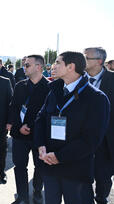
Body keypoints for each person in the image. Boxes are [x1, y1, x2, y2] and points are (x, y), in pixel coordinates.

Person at [34, 51, 110, 204]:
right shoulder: (54, 91)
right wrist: (40, 145)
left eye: (57, 62)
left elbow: (91, 140)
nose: (52, 66)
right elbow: (40, 119)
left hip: (76, 172)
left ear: (70, 67)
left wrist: (59, 157)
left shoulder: (96, 98)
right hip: (50, 167)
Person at [11, 55, 49, 204]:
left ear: (39, 67)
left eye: (27, 65)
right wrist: (19, 126)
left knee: (40, 167)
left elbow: (48, 114)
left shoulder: (50, 87)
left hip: (40, 136)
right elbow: (13, 108)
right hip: (19, 135)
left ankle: (37, 191)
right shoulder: (20, 85)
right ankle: (22, 196)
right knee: (19, 166)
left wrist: (31, 127)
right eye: (24, 65)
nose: (24, 68)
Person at [84, 47, 114, 204]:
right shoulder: (77, 79)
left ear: (99, 61)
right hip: (81, 139)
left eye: (86, 58)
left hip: (106, 140)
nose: (83, 60)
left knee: (103, 177)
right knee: (81, 177)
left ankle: (101, 198)